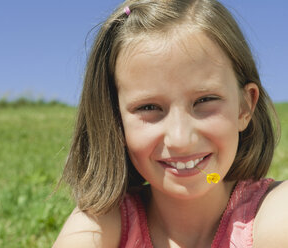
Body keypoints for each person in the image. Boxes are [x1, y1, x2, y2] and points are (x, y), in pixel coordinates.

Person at [53, 0, 287, 247]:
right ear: (114, 121)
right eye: (149, 107)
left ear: (244, 107)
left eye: (205, 100)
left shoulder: (277, 213)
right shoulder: (100, 226)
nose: (180, 140)